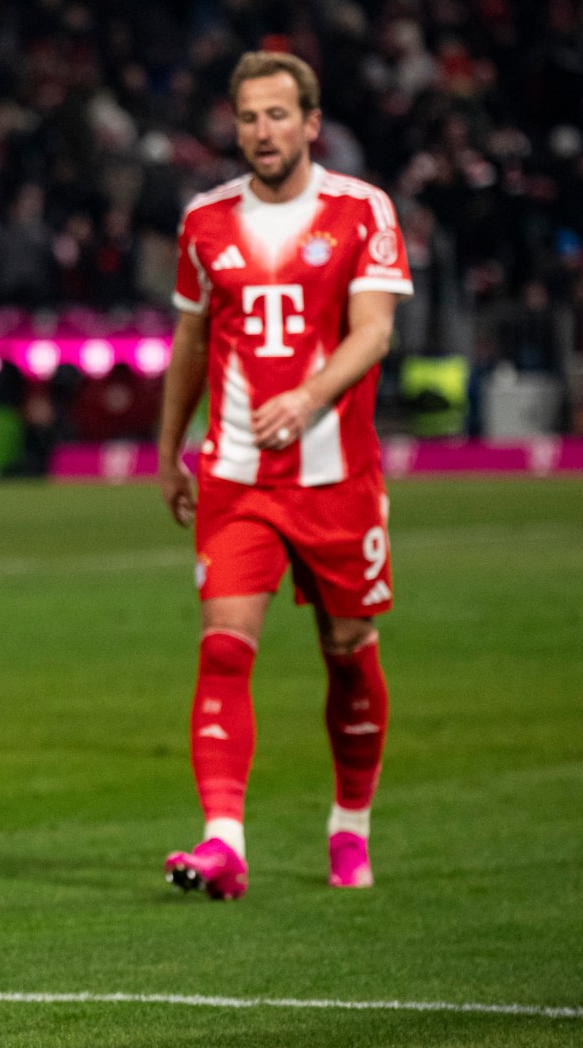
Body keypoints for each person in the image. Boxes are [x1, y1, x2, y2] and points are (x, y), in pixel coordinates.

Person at [154, 51, 412, 900]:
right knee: (223, 647)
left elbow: (373, 332)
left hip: (336, 478)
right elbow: (191, 342)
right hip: (236, 476)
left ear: (311, 121)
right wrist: (168, 450)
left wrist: (306, 398)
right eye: (248, 118)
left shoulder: (361, 210)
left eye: (277, 115)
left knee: (347, 652)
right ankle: (223, 841)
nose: (262, 132)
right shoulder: (204, 222)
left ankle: (350, 824)